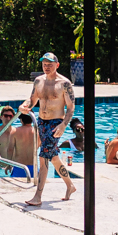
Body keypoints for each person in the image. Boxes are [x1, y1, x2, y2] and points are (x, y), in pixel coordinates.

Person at [25, 52, 77, 206]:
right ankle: (70, 185)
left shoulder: (64, 83)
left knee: (43, 158)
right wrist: (25, 106)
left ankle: (38, 196)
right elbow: (33, 99)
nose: (47, 67)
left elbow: (71, 107)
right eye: (44, 64)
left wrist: (63, 125)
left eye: (50, 64)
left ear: (57, 65)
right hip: (42, 122)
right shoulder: (38, 81)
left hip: (56, 124)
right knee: (53, 157)